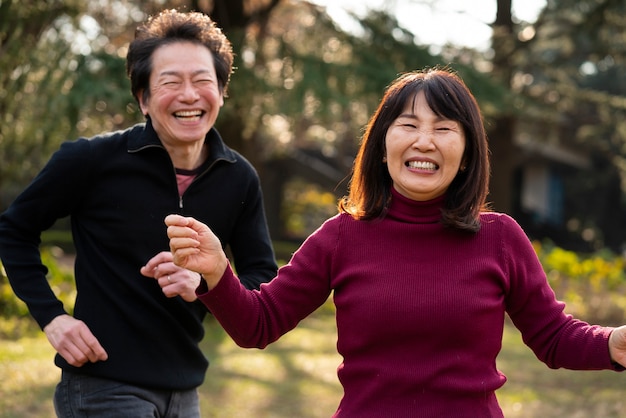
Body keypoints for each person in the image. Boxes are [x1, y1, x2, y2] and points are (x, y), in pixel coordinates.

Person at [160, 68, 626, 417]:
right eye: (408, 125)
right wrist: (218, 273)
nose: (425, 140)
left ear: (466, 155)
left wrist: (615, 343)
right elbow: (258, 324)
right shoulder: (341, 237)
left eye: (444, 128)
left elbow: (553, 337)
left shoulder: (500, 238)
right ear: (383, 146)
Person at [0, 9, 277, 418]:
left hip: (185, 392)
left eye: (203, 80)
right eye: (170, 82)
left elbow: (261, 281)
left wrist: (205, 282)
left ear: (220, 93)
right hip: (101, 384)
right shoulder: (91, 159)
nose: (189, 95)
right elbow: (13, 230)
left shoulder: (240, 178)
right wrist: (52, 318)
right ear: (143, 98)